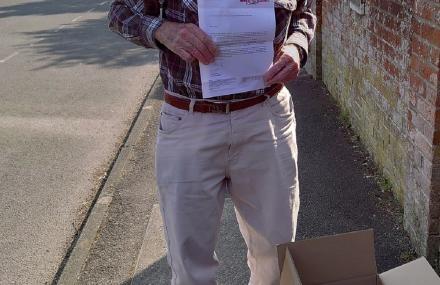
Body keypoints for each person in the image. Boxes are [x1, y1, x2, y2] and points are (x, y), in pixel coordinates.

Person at [108, 0, 316, 284]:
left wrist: (296, 47)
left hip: (265, 116)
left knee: (276, 256)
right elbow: (120, 12)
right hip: (190, 121)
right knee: (190, 265)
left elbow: (304, 13)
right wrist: (162, 30)